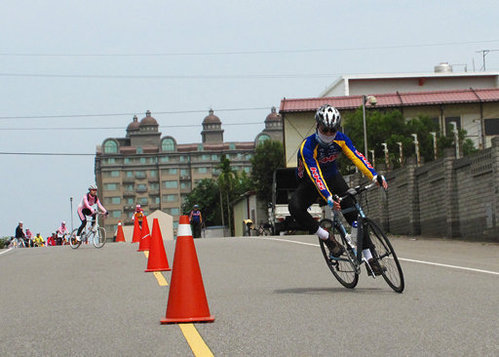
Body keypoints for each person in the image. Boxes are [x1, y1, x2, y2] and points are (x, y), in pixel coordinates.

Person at [288, 104, 388, 275]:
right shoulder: (307, 146)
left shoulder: (341, 139)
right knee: (294, 207)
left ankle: (370, 258)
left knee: (355, 216)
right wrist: (327, 196)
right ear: (317, 126)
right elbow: (315, 174)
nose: (328, 134)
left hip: (333, 178)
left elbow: (357, 156)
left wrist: (374, 176)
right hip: (310, 183)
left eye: (332, 130)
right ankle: (327, 237)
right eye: (324, 129)